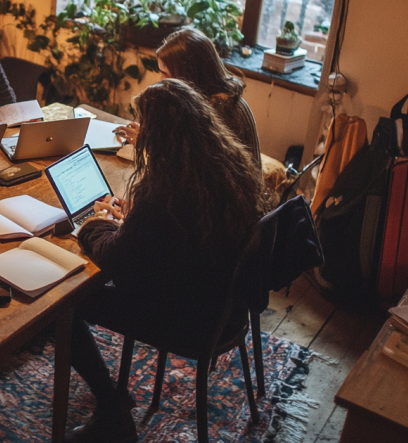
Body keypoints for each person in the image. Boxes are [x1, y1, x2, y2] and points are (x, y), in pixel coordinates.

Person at [65, 79, 264, 443]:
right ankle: (112, 400)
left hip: (185, 317)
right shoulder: (225, 167)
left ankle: (113, 410)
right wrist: (130, 221)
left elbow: (116, 261)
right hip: (221, 306)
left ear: (159, 136)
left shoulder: (164, 192)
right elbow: (171, 234)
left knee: (65, 306)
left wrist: (92, 226)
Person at [115, 28, 262, 168]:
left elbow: (188, 173)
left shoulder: (217, 113)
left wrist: (147, 146)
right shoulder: (217, 98)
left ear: (186, 75)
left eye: (165, 73)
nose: (161, 80)